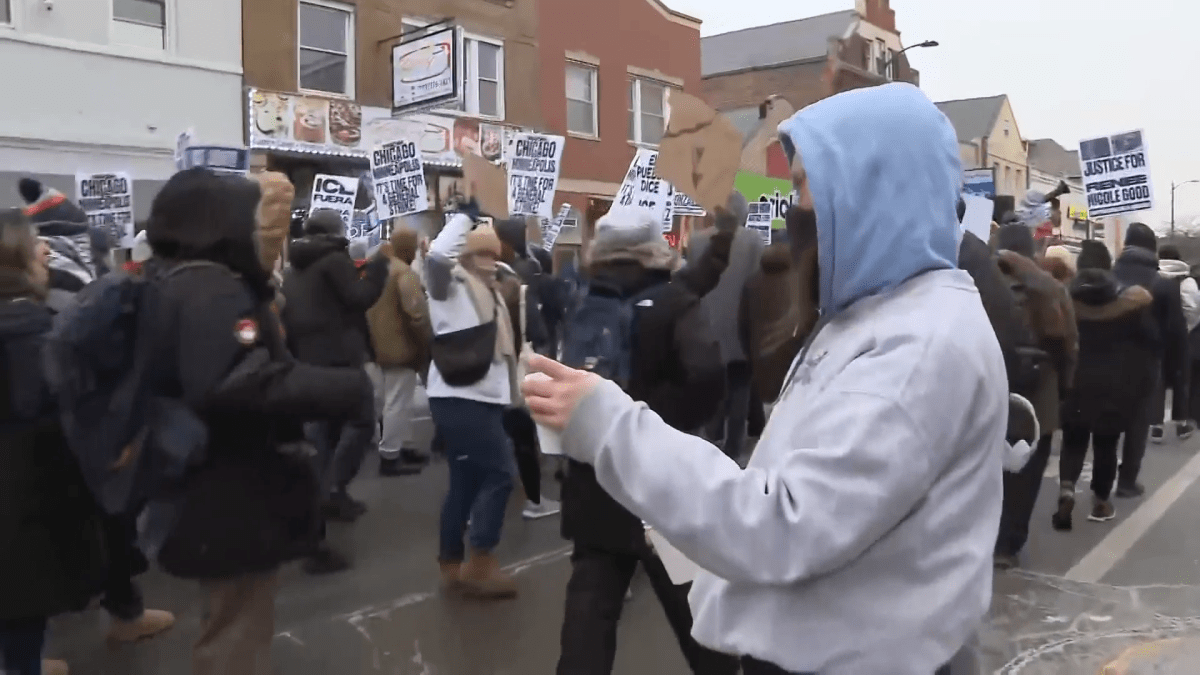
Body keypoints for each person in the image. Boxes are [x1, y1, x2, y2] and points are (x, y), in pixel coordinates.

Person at [523, 83, 1006, 675]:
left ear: (865, 186)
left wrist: (609, 425)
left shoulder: (923, 342)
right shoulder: (880, 315)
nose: (795, 207)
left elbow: (785, 522)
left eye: (804, 186)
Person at [141, 168, 372, 675]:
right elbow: (232, 382)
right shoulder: (212, 288)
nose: (273, 232)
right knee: (236, 630)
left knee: (231, 618)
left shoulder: (182, 279)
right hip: (227, 486)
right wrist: (341, 387)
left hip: (209, 480)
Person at [555, 208, 736, 675]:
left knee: (589, 613)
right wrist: (657, 426)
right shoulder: (675, 301)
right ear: (655, 247)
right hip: (662, 485)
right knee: (694, 610)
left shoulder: (581, 299)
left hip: (593, 478)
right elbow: (707, 376)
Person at [0, 211, 105, 675]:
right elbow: (50, 413)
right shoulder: (31, 330)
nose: (46, 252)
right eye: (35, 245)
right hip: (23, 498)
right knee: (22, 598)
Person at [425, 202, 522, 599]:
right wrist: (464, 218)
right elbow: (435, 255)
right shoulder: (449, 286)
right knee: (501, 473)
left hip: (483, 398)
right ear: (465, 253)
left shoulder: (493, 291)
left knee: (465, 481)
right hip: (458, 396)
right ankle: (481, 561)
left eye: (493, 254)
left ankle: (451, 563)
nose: (489, 260)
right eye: (481, 253)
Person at [282, 209, 388, 531]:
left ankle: (320, 493)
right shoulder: (333, 258)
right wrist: (378, 268)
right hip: (340, 357)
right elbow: (359, 297)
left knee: (323, 429)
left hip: (307, 358)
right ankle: (333, 487)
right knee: (362, 420)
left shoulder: (292, 267)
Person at [1053, 240, 1158, 529]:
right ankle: (1100, 502)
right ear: (1109, 266)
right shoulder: (1131, 301)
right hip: (1115, 384)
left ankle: (1066, 490)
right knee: (1106, 444)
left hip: (1076, 382)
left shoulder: (1064, 299)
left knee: (1073, 442)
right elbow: (1151, 342)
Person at [991, 224, 1078, 569]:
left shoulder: (980, 284)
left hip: (993, 387)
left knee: (988, 467)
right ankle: (1010, 543)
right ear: (1032, 252)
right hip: (1039, 394)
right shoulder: (1052, 289)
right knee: (1027, 472)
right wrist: (1065, 387)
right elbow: (1069, 343)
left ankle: (989, 535)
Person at [1112, 223, 1187, 489]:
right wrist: (1178, 372)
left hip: (1108, 360)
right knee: (1137, 423)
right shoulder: (1164, 285)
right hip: (1145, 363)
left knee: (1107, 425)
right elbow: (1177, 333)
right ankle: (1127, 481)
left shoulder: (1108, 277)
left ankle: (1101, 486)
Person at [692, 193, 763, 460]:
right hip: (740, 330)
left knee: (712, 390)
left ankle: (709, 441)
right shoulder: (753, 241)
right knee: (739, 392)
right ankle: (733, 450)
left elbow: (693, 284)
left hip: (706, 329)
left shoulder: (698, 240)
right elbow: (756, 285)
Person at [366, 226, 432, 477]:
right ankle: (391, 455)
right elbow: (417, 315)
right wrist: (425, 342)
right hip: (400, 347)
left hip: (375, 346)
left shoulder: (377, 270)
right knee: (397, 403)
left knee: (387, 402)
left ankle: (399, 446)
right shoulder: (404, 273)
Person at [1154, 245, 1198, 439]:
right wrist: (1186, 327)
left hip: (1156, 335)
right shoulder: (1186, 280)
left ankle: (1156, 425)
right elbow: (1193, 307)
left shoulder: (1154, 276)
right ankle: (1181, 423)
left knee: (1159, 379)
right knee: (1182, 378)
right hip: (1180, 336)